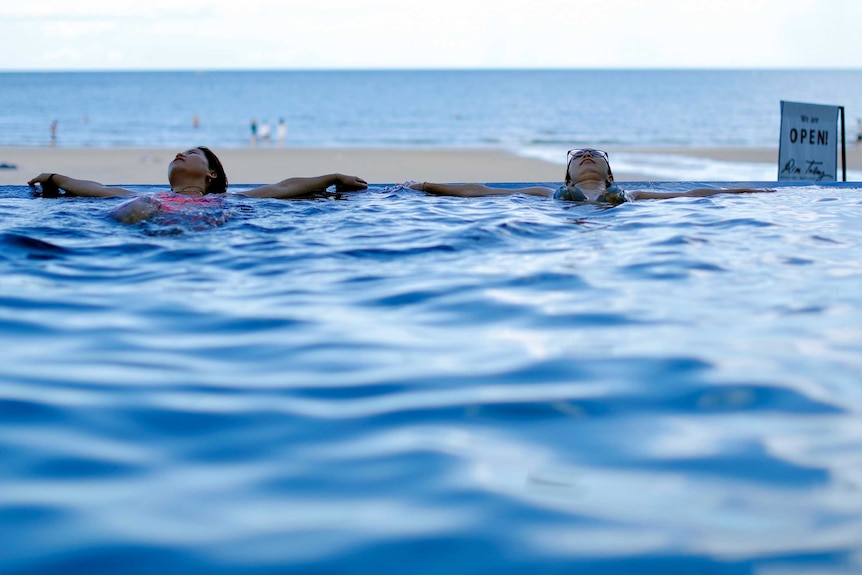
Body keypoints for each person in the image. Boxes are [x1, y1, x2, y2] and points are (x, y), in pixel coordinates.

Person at [27, 146, 368, 224]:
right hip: (150, 219)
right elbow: (94, 188)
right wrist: (55, 178)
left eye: (190, 153)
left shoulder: (229, 200)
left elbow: (283, 187)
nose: (179, 153)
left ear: (212, 175)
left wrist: (333, 177)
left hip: (202, 226)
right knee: (135, 206)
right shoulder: (149, 198)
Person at [410, 148, 772, 204]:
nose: (586, 155)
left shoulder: (633, 197)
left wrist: (746, 192)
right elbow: (483, 192)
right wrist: (427, 186)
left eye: (595, 154)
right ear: (567, 177)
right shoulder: (544, 193)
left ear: (609, 172)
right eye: (578, 155)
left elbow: (696, 194)